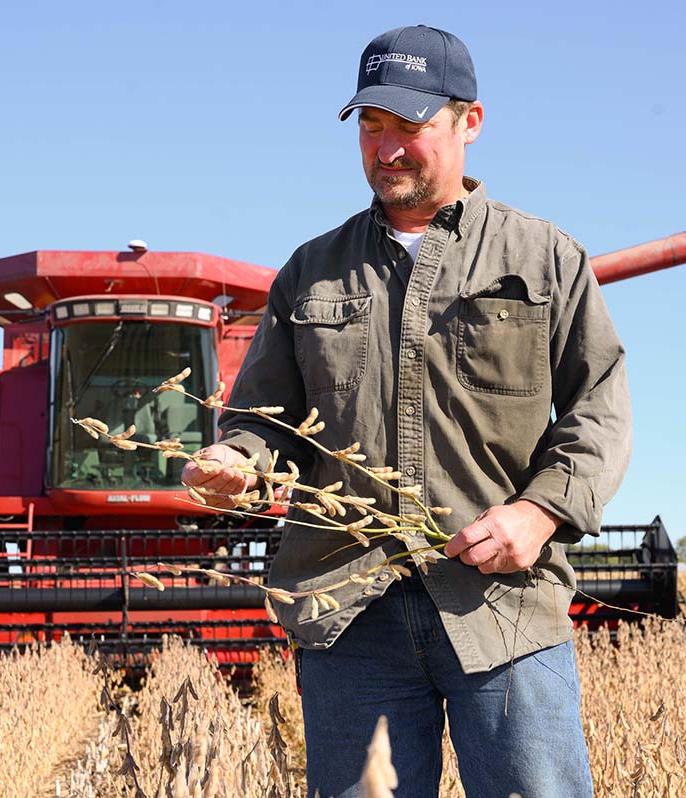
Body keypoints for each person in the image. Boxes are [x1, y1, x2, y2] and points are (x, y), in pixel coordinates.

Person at [182, 25, 630, 798]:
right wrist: (238, 460)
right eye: (371, 126)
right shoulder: (311, 272)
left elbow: (600, 406)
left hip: (503, 608)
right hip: (349, 615)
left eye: (410, 127)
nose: (386, 149)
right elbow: (262, 417)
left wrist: (539, 512)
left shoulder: (545, 258)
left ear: (470, 122)